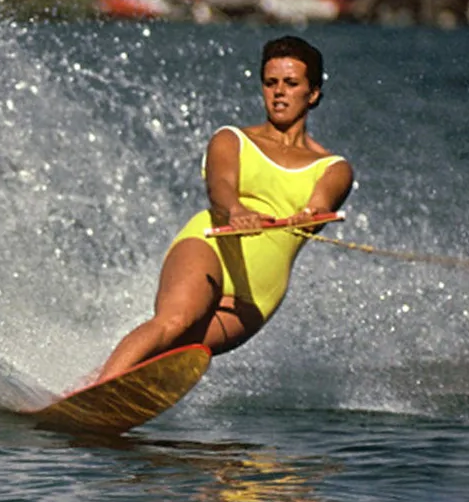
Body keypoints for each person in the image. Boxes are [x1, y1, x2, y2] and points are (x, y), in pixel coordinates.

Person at [96, 36, 353, 381]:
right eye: (270, 83)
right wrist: (235, 210)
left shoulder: (333, 167)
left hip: (257, 291)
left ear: (313, 93)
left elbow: (320, 206)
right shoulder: (232, 139)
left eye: (291, 84)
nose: (278, 92)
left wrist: (307, 217)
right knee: (175, 321)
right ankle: (96, 386)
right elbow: (220, 187)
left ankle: (116, 394)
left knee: (185, 346)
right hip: (211, 247)